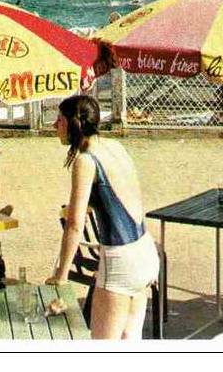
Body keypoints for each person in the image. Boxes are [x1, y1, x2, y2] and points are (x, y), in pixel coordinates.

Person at [46, 95, 158, 340]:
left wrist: (61, 276)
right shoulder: (115, 146)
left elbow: (75, 225)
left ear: (72, 124)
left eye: (59, 120)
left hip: (120, 262)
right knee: (130, 342)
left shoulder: (85, 161)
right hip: (145, 252)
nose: (55, 126)